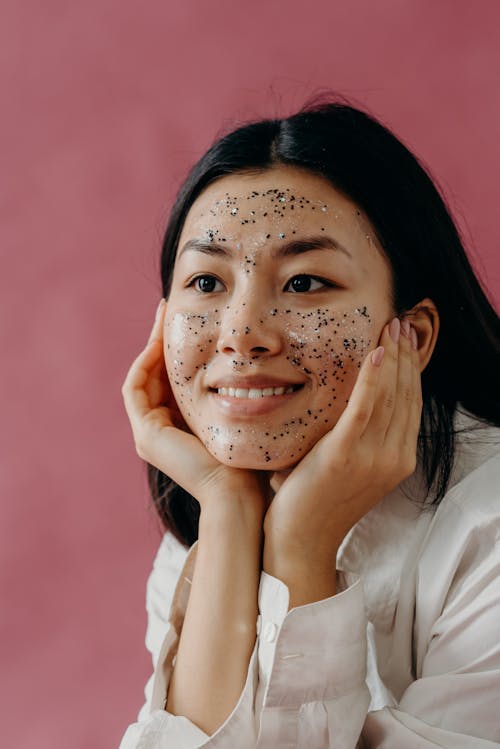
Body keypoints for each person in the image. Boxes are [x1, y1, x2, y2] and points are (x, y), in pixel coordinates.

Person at [118, 96, 500, 748]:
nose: (241, 335)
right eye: (207, 283)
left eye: (304, 283)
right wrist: (227, 505)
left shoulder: (487, 527)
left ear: (413, 334)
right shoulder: (206, 525)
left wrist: (301, 542)